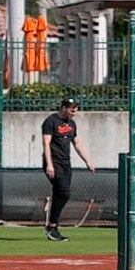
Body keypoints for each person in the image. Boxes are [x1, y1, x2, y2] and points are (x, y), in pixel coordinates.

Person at [41, 96, 94, 242]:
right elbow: (46, 144)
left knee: (60, 194)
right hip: (54, 162)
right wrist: (49, 164)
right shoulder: (50, 121)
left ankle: (52, 228)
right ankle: (52, 226)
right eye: (72, 109)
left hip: (66, 164)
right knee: (64, 193)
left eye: (76, 109)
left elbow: (76, 143)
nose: (74, 112)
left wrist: (87, 161)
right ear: (63, 108)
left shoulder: (72, 124)